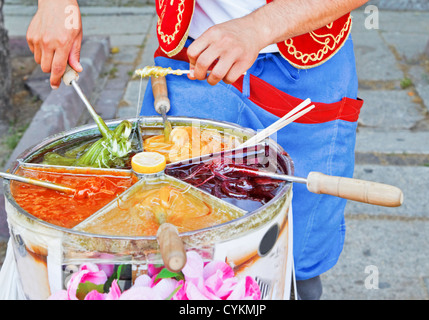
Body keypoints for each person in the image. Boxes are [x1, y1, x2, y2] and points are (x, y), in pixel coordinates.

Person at [26, 0, 369, 300]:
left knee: (292, 257)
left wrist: (257, 27)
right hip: (192, 56)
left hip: (305, 66)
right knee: (162, 245)